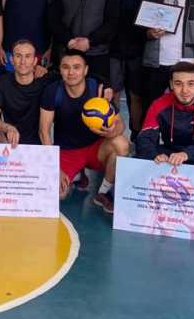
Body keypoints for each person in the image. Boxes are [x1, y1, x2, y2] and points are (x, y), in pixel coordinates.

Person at [39, 50, 129, 208]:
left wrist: (111, 132)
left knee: (121, 144)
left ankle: (103, 192)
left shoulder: (97, 89)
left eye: (76, 67)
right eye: (66, 67)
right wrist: (55, 168)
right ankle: (79, 175)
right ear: (60, 70)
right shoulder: (53, 91)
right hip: (68, 151)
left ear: (85, 70)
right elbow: (44, 132)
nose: (71, 72)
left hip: (96, 149)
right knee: (57, 194)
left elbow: (120, 124)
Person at [135, 62, 194, 167]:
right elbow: (145, 138)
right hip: (169, 155)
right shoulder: (159, 104)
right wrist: (155, 155)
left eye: (191, 84)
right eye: (178, 84)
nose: (184, 90)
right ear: (171, 85)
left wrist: (188, 154)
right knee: (140, 158)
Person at [110, 0, 155, 134]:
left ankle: (137, 136)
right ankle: (113, 135)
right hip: (112, 46)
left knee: (137, 95)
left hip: (139, 48)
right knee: (112, 93)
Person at [0, 39, 51, 147]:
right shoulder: (4, 82)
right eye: (18, 56)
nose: (23, 61)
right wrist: (8, 128)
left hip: (37, 145)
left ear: (35, 61)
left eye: (28, 56)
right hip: (10, 143)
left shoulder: (45, 83)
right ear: (12, 60)